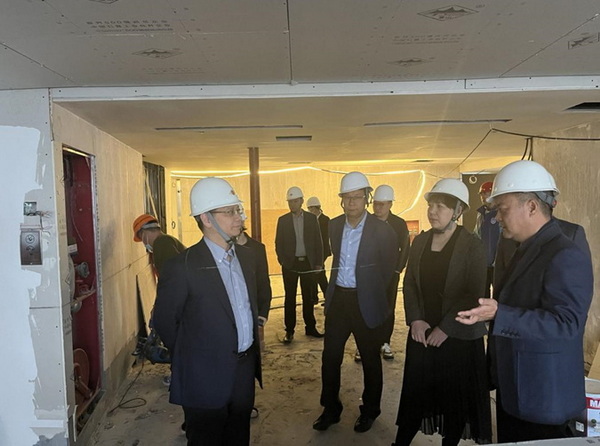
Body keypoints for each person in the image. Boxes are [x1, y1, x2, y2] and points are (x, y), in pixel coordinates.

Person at [456, 160, 594, 443]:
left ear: (531, 206)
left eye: (503, 209)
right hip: (516, 389)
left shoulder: (564, 253)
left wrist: (500, 314)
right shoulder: (521, 246)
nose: (497, 217)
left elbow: (566, 324)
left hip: (544, 399)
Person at [153, 177, 272, 446]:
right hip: (203, 378)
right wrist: (195, 358)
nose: (238, 217)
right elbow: (165, 322)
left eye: (237, 209)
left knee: (239, 437)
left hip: (243, 373)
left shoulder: (247, 258)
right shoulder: (182, 266)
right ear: (206, 219)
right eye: (229, 211)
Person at [393, 178, 492, 446]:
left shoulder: (472, 245)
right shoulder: (420, 241)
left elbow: (473, 293)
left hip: (457, 336)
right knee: (416, 393)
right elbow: (410, 283)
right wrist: (415, 319)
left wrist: (446, 327)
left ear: (458, 211)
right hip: (423, 333)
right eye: (431, 205)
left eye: (441, 206)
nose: (432, 211)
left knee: (454, 399)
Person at [313, 171, 398, 434]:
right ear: (341, 199)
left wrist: (373, 294)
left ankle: (370, 411)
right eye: (347, 197)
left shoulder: (382, 229)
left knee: (370, 359)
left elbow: (388, 269)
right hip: (339, 300)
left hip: (366, 302)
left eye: (357, 197)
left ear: (367, 198)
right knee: (330, 357)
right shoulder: (334, 225)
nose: (352, 202)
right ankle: (331, 409)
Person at [355, 184, 409, 362]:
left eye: (382, 204)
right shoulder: (365, 222)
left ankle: (385, 342)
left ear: (390, 204)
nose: (378, 208)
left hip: (390, 275)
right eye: (376, 204)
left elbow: (405, 248)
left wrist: (397, 269)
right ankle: (363, 345)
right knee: (366, 308)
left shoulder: (399, 224)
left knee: (387, 309)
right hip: (368, 275)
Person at [132, 213, 186, 386]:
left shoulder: (162, 244)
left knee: (176, 338)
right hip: (183, 298)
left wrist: (161, 306)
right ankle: (181, 373)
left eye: (141, 239)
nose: (143, 244)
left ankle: (180, 376)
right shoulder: (166, 242)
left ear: (144, 234)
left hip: (182, 300)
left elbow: (171, 279)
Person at [275, 186, 324, 343]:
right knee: (290, 298)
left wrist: (318, 263)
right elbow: (278, 243)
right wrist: (283, 261)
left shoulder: (311, 219)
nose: (292, 204)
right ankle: (289, 331)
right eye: (290, 202)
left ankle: (310, 327)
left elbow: (318, 242)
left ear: (302, 201)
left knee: (308, 297)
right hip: (290, 264)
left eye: (295, 201)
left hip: (307, 264)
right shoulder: (283, 220)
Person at [133, 213, 186, 277]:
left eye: (141, 238)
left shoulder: (161, 242)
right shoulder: (165, 240)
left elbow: (172, 275)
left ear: (144, 234)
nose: (144, 243)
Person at [474, 181, 500, 298]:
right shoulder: (481, 214)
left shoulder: (502, 213)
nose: (483, 197)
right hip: (483, 264)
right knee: (482, 295)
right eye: (482, 194)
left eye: (486, 193)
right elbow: (476, 235)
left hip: (498, 265)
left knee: (499, 295)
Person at [306, 196, 331, 304]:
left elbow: (325, 238)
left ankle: (327, 297)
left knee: (319, 275)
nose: (310, 211)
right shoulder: (310, 220)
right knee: (315, 275)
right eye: (309, 209)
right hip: (313, 252)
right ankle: (315, 297)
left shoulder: (325, 220)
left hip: (323, 251)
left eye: (311, 208)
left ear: (317, 208)